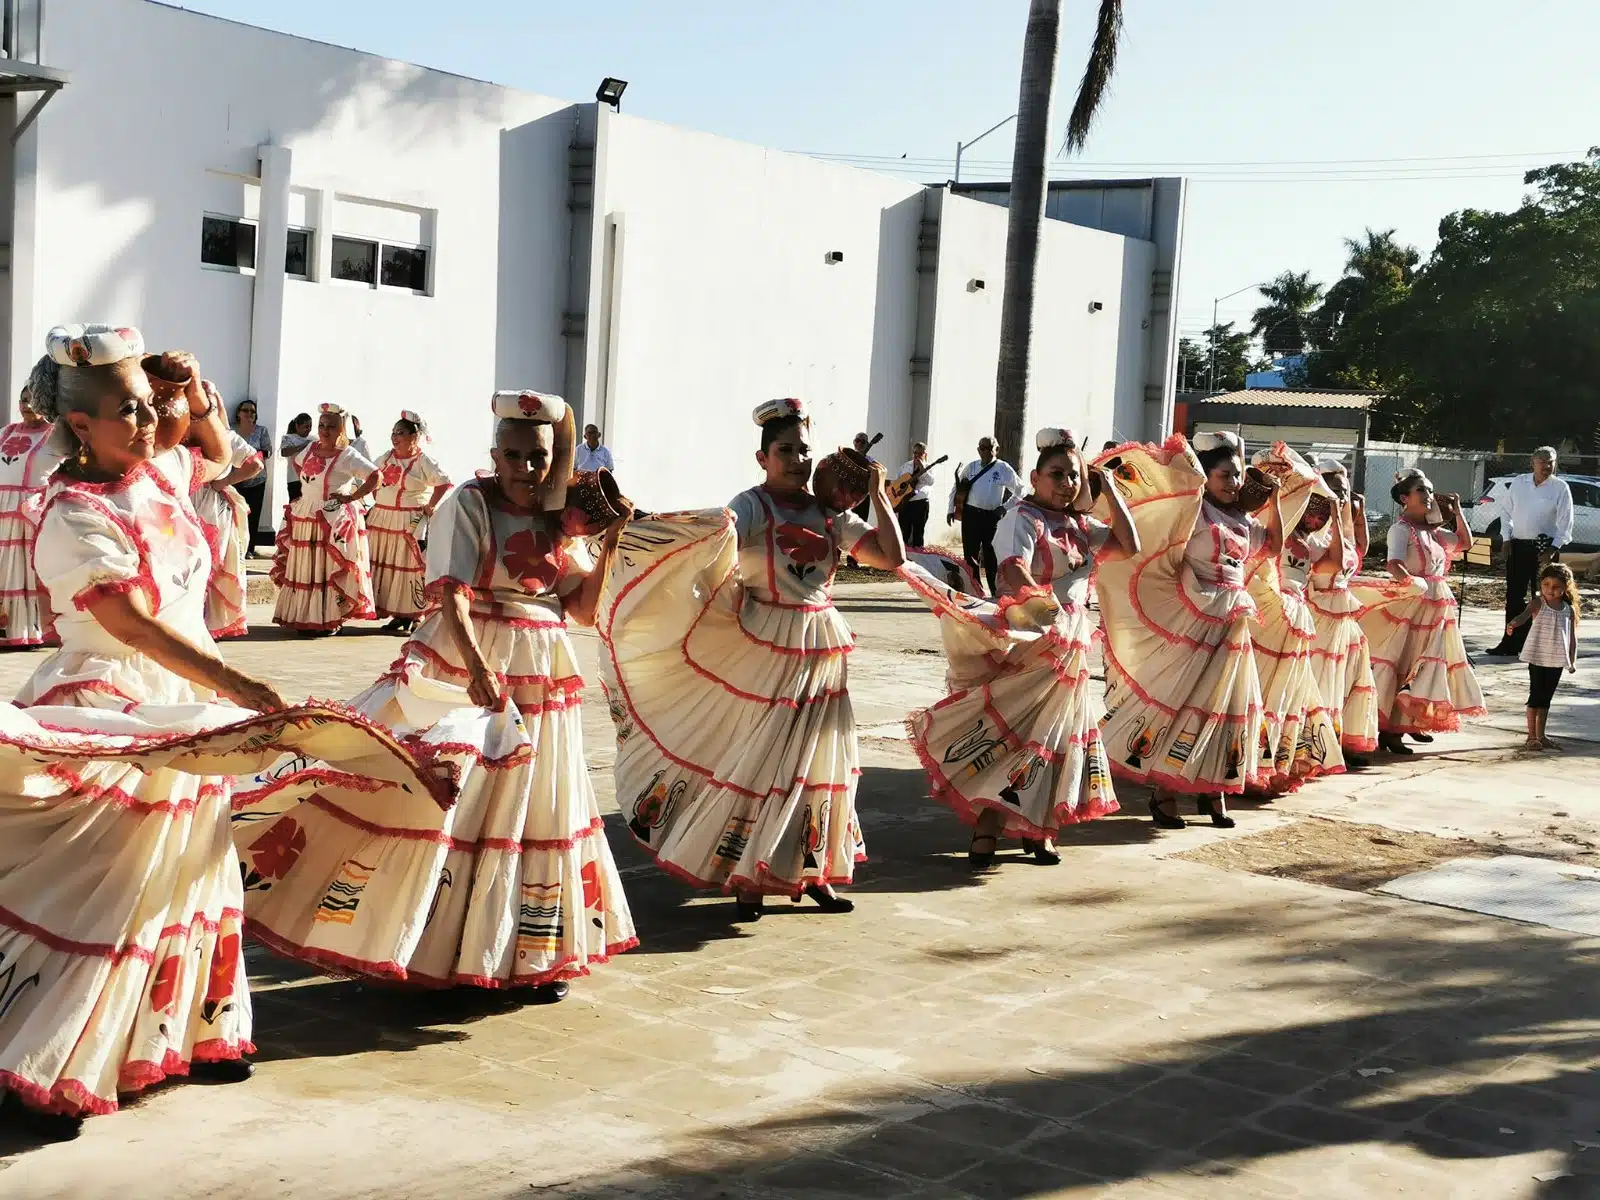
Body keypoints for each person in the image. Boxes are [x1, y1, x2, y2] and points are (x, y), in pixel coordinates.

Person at [0, 325, 441, 1137]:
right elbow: (130, 626)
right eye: (122, 412)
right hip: (120, 700)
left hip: (190, 698)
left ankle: (198, 1031)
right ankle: (56, 1057)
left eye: (144, 407)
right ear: (79, 428)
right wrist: (244, 685)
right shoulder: (70, 511)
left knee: (196, 868)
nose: (142, 422)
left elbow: (225, 451)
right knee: (116, 883)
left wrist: (193, 387)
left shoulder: (157, 468)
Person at [236, 390, 635, 999]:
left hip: (545, 668)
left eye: (538, 458)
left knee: (535, 805)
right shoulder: (468, 502)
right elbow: (450, 593)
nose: (525, 469)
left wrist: (607, 543)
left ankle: (522, 953)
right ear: (495, 453)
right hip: (471, 656)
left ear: (555, 459)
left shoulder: (562, 519)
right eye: (514, 455)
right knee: (459, 800)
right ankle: (427, 943)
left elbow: (579, 608)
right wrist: (476, 670)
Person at [599, 397, 906, 919]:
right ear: (762, 457)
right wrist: (641, 529)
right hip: (765, 641)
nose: (796, 460)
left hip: (821, 644)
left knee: (820, 762)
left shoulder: (829, 514)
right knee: (763, 760)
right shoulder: (751, 505)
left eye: (803, 451)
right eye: (785, 450)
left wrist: (878, 494)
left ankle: (815, 871)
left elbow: (892, 558)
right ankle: (750, 874)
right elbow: (708, 536)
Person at [902, 428, 1138, 867]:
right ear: (1034, 475)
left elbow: (1130, 545)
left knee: (1057, 740)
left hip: (1071, 646)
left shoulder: (1082, 525)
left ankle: (1040, 830)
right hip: (1033, 641)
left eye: (1073, 476)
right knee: (1014, 737)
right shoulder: (1021, 517)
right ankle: (986, 829)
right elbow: (1012, 568)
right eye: (1056, 475)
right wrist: (1038, 604)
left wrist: (1108, 492)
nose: (1066, 484)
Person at [1096, 432, 1280, 829]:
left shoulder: (1243, 519)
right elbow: (1158, 546)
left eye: (1236, 475)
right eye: (1224, 475)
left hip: (1235, 619)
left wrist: (1274, 500)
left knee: (1229, 703)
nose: (1232, 483)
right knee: (1185, 700)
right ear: (1207, 477)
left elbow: (1275, 547)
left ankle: (1214, 790)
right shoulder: (1192, 511)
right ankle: (1164, 793)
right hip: (1197, 616)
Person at [1356, 469, 1485, 755]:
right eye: (1422, 491)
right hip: (1412, 606)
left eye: (1429, 490)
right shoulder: (1401, 529)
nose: (1428, 496)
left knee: (1428, 667)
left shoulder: (1435, 532)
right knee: (1401, 664)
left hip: (1438, 606)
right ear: (1405, 498)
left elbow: (1465, 544)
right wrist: (1412, 583)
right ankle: (1386, 730)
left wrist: (1458, 510)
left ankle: (1409, 724)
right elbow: (1394, 564)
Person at [1245, 445, 1345, 793]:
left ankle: (1272, 765)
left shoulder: (1307, 538)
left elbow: (1337, 562)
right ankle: (1247, 765)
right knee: (1263, 688)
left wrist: (1337, 512)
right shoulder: (1270, 527)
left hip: (1297, 618)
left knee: (1287, 693)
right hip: (1271, 611)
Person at [1297, 457, 1378, 767]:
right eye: (1334, 491)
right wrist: (1334, 511)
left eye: (1343, 491)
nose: (1340, 497)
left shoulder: (1340, 530)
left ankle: (1340, 740)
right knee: (1321, 679)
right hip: (1320, 612)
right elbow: (1332, 562)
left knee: (1349, 677)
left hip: (1343, 614)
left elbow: (1359, 552)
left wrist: (1356, 513)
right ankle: (1313, 745)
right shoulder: (1313, 533)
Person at [270, 403, 378, 634]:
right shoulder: (309, 449)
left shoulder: (348, 455)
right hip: (306, 514)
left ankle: (328, 618)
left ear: (342, 430)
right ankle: (305, 616)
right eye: (321, 426)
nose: (324, 430)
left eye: (331, 426)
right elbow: (299, 467)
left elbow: (375, 475)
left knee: (327, 567)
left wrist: (352, 496)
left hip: (332, 517)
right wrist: (309, 493)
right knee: (307, 567)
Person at [364, 411, 452, 634]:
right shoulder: (386, 457)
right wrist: (378, 497)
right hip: (384, 518)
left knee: (408, 567)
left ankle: (414, 613)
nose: (395, 437)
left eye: (400, 433)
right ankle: (397, 613)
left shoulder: (423, 461)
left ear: (415, 436)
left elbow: (443, 482)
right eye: (393, 433)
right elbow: (371, 476)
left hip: (409, 520)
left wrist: (430, 505)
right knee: (385, 564)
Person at [1488, 447, 1574, 657]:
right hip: (1518, 545)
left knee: (1546, 597)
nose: (1547, 466)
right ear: (1532, 462)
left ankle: (1542, 647)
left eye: (1551, 462)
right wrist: (1506, 539)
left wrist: (1554, 548)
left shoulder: (1560, 487)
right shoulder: (1519, 482)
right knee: (1514, 596)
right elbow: (1506, 510)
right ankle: (1510, 644)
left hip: (1545, 549)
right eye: (1542, 461)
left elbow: (1566, 522)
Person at [190, 408, 264, 639]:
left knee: (212, 562)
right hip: (183, 500)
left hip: (210, 506)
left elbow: (255, 464)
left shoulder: (225, 436)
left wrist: (223, 481)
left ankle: (206, 622)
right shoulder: (177, 435)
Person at [0, 383, 64, 646]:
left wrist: (45, 499)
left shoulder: (58, 435)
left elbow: (72, 472)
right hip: (2, 511)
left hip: (30, 513)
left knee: (26, 570)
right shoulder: (6, 432)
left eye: (33, 399)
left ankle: (28, 631)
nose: (26, 404)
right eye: (22, 398)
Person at [1506, 562, 1578, 752]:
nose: (1550, 590)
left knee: (1546, 698)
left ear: (1565, 588)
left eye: (1556, 587)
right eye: (1546, 585)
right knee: (1535, 696)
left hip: (1556, 659)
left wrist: (1572, 659)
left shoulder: (1567, 609)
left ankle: (1541, 735)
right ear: (1541, 584)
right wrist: (1514, 623)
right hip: (1538, 657)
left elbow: (1571, 637)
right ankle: (1531, 737)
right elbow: (1524, 615)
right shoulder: (1538, 603)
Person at [948, 437, 1023, 596]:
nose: (986, 451)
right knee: (970, 555)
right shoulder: (971, 467)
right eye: (982, 448)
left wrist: (1004, 508)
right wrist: (950, 509)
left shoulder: (1003, 469)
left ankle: (995, 590)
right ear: (978, 450)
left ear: (997, 449)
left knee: (991, 555)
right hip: (970, 514)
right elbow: (957, 488)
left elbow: (1020, 491)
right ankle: (975, 590)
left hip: (991, 516)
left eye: (990, 448)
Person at [232, 399, 272, 552]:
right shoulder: (232, 430)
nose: (249, 414)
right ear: (238, 413)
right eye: (245, 410)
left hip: (257, 480)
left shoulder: (261, 431)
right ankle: (236, 548)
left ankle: (249, 548)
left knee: (253, 515)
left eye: (252, 412)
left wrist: (248, 456)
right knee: (236, 514)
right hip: (235, 479)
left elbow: (267, 451)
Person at [895, 441, 934, 548]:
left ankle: (918, 559)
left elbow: (931, 482)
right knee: (903, 532)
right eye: (915, 453)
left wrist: (922, 469)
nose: (917, 456)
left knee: (918, 533)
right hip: (905, 503)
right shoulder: (905, 466)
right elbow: (897, 482)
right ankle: (903, 558)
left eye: (920, 453)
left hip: (920, 504)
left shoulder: (929, 467)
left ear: (925, 454)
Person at [280, 412, 313, 502]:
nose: (309, 429)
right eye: (306, 426)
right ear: (297, 426)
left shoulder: (312, 438)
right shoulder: (288, 438)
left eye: (310, 426)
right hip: (294, 479)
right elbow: (284, 452)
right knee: (295, 506)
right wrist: (303, 446)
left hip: (311, 479)